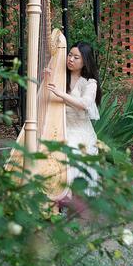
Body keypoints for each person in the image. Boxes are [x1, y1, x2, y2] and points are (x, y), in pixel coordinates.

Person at [47, 41, 101, 197]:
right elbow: (47, 94)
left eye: (76, 57)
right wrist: (47, 77)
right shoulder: (60, 76)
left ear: (85, 61)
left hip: (79, 130)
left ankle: (65, 196)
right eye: (70, 55)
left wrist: (61, 94)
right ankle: (51, 192)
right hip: (59, 125)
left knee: (67, 150)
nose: (70, 59)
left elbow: (84, 104)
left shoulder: (90, 83)